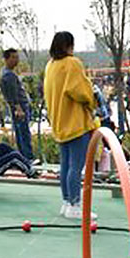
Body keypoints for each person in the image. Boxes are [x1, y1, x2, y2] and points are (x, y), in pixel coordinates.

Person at [43, 31, 99, 220]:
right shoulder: (72, 64)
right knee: (76, 166)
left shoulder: (50, 65)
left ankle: (67, 201)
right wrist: (92, 99)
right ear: (68, 46)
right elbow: (80, 91)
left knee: (65, 165)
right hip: (75, 122)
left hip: (59, 121)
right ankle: (75, 204)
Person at [0, 48, 34, 161]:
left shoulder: (6, 73)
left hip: (17, 106)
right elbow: (12, 94)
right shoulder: (9, 75)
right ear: (6, 59)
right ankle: (27, 157)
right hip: (20, 106)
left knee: (20, 132)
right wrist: (18, 108)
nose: (16, 60)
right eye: (13, 57)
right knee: (23, 133)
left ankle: (23, 156)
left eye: (17, 57)